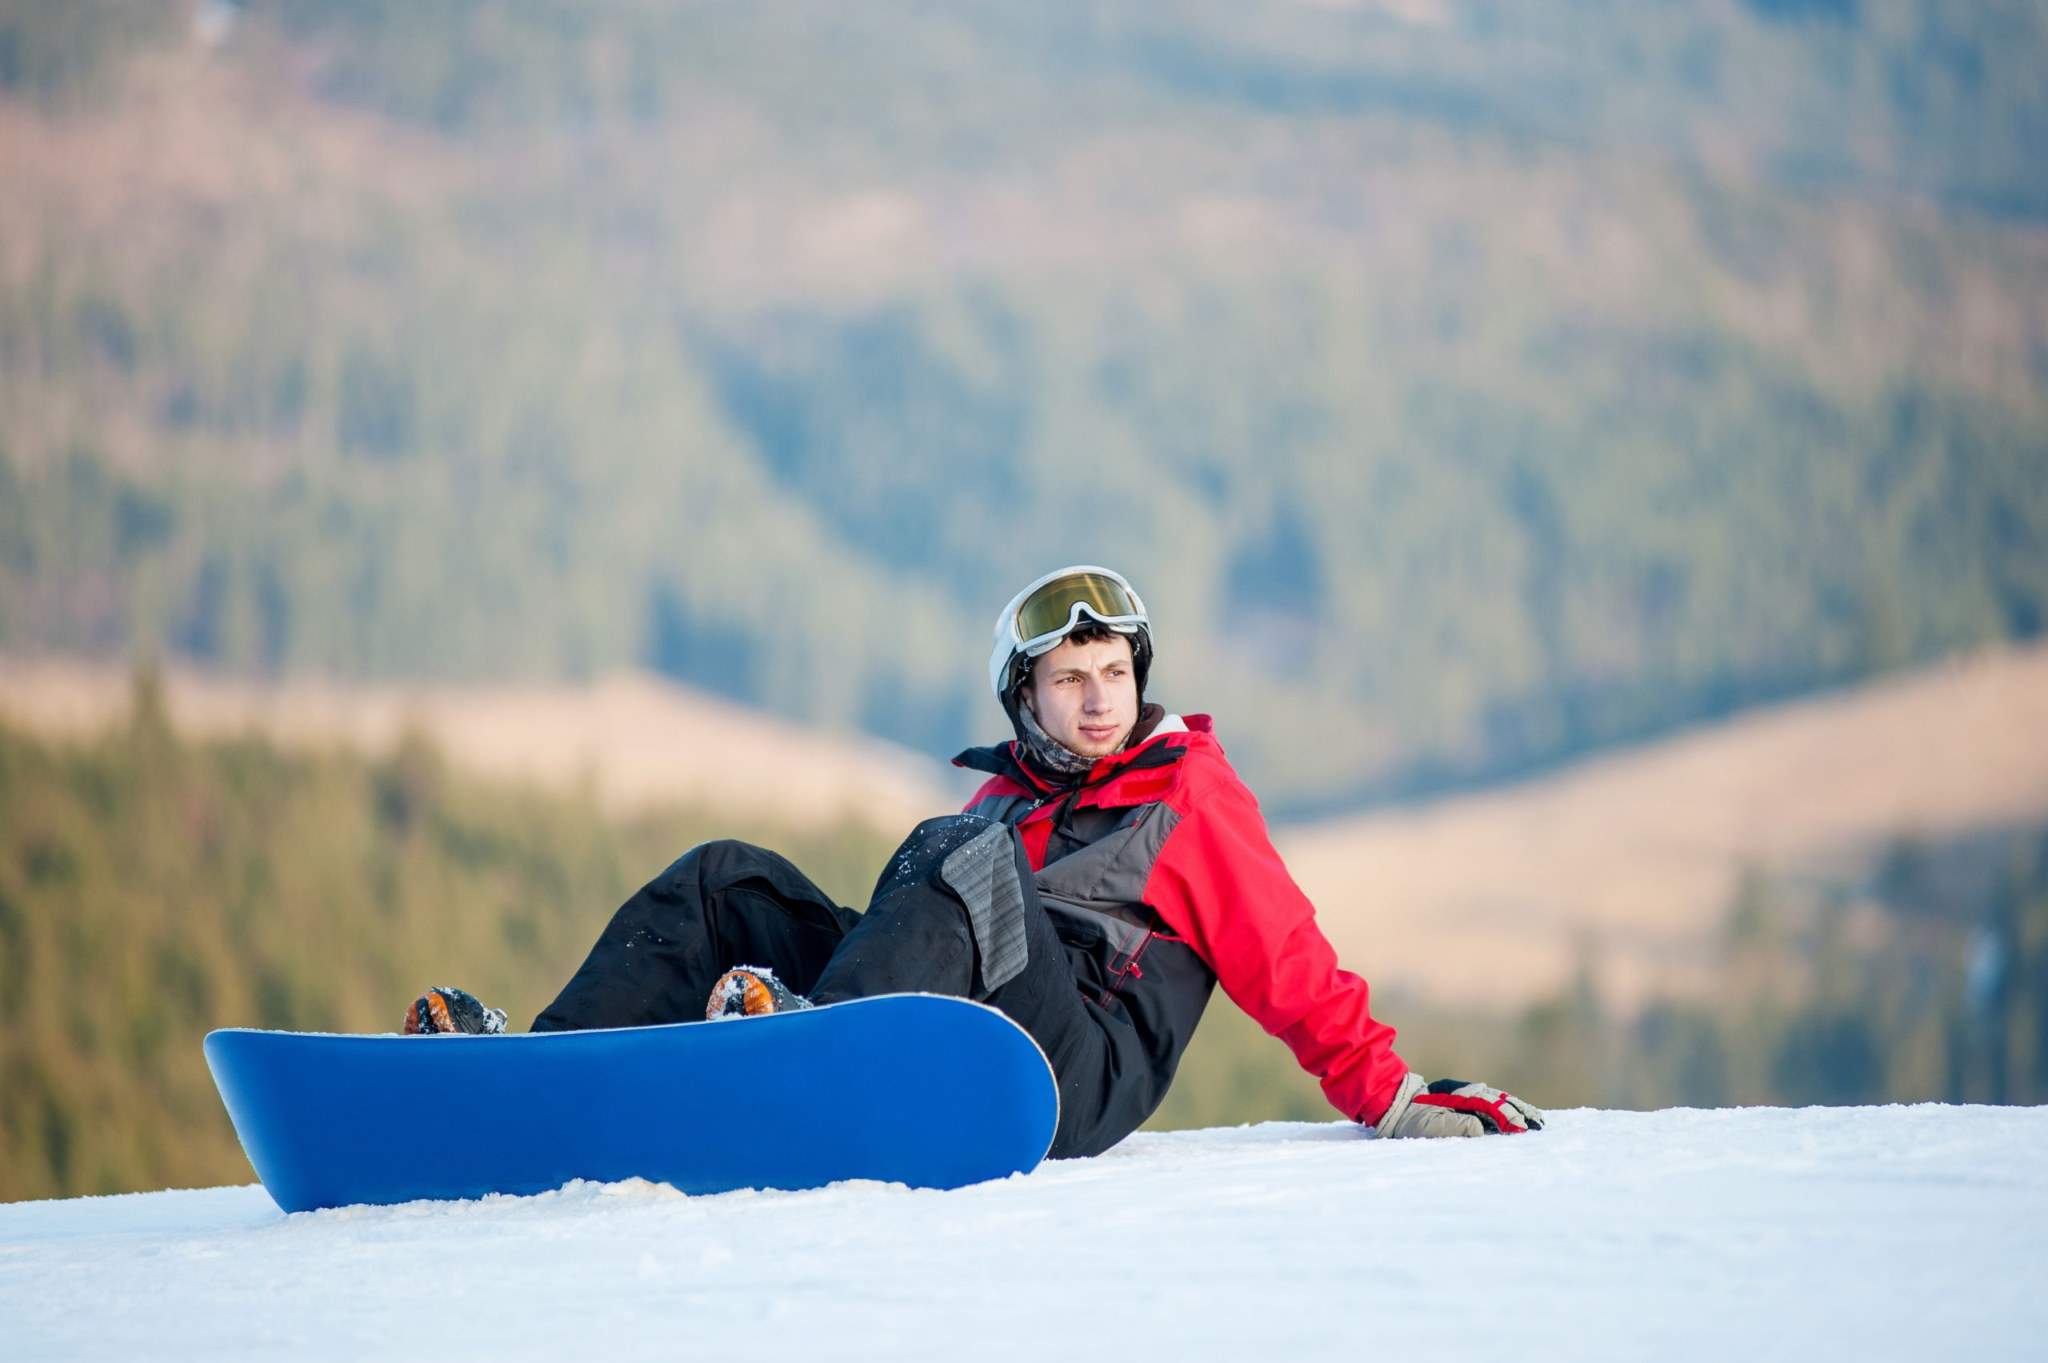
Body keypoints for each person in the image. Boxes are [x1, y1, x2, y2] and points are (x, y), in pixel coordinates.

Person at [407, 565, 1542, 1153]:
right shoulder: (1009, 794)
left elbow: (1280, 948)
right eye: (1069, 680)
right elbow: (927, 933)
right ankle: (540, 1073)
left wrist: (1386, 1095)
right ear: (1027, 695)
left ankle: (797, 1053)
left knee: (962, 852)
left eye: (1113, 675)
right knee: (725, 878)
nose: (1098, 703)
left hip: (1073, 1066)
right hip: (977, 1014)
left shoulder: (1187, 792)